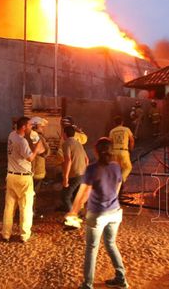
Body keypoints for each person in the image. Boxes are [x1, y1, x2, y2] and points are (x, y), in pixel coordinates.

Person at [66, 137, 128, 289]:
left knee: (92, 248)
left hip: (98, 214)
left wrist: (73, 211)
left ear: (96, 151)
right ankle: (121, 279)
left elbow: (83, 192)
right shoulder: (116, 167)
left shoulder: (92, 169)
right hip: (115, 212)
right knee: (111, 244)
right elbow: (117, 188)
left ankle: (88, 284)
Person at [2, 116, 42, 243]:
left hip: (11, 176)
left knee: (9, 207)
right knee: (25, 207)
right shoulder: (22, 142)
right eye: (30, 125)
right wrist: (36, 149)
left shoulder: (11, 135)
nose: (31, 127)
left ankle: (6, 234)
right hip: (23, 178)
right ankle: (24, 235)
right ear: (24, 127)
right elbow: (30, 158)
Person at [57, 125, 89, 212]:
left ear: (64, 133)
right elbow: (87, 160)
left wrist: (66, 177)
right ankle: (78, 212)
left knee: (65, 196)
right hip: (82, 174)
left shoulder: (66, 143)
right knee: (76, 195)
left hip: (74, 174)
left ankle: (72, 215)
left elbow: (68, 160)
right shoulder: (78, 143)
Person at [28, 116, 50, 212]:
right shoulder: (37, 137)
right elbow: (46, 153)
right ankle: (31, 211)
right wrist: (46, 145)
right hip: (36, 169)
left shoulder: (28, 136)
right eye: (41, 126)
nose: (43, 128)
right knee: (33, 192)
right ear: (36, 126)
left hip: (31, 169)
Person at [108, 116, 135, 184]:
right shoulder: (126, 129)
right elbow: (132, 140)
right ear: (122, 122)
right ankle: (121, 180)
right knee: (127, 167)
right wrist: (131, 149)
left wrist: (110, 153)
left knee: (116, 169)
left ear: (114, 123)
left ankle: (115, 184)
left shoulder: (112, 131)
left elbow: (110, 143)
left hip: (114, 151)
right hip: (123, 151)